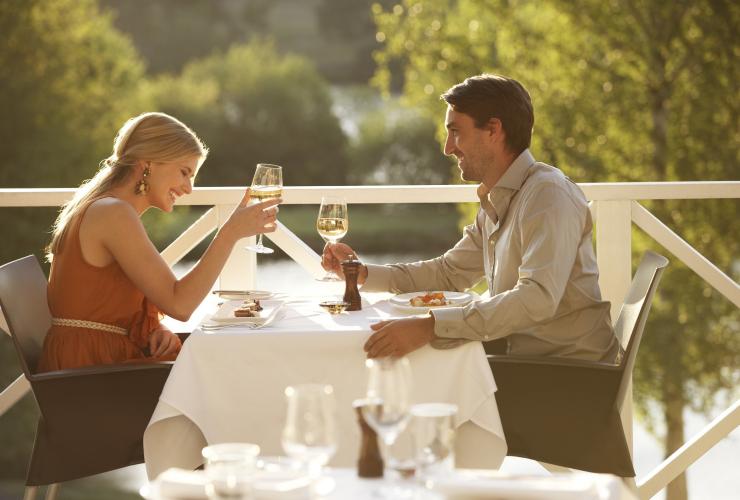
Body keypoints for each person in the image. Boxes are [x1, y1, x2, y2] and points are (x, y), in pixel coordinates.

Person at [323, 74, 620, 363]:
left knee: (407, 376)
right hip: (519, 358)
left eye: (455, 132)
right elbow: (449, 274)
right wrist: (362, 273)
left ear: (493, 130)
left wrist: (431, 326)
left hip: (565, 376)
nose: (448, 148)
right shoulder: (500, 196)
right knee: (404, 371)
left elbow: (537, 298)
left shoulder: (548, 196)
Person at [38, 112, 280, 371]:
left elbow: (99, 306)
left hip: (96, 365)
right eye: (184, 172)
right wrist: (230, 233)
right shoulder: (113, 214)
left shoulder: (105, 207)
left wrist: (154, 330)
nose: (189, 188)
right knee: (235, 372)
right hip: (91, 374)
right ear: (148, 164)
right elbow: (181, 305)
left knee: (225, 371)